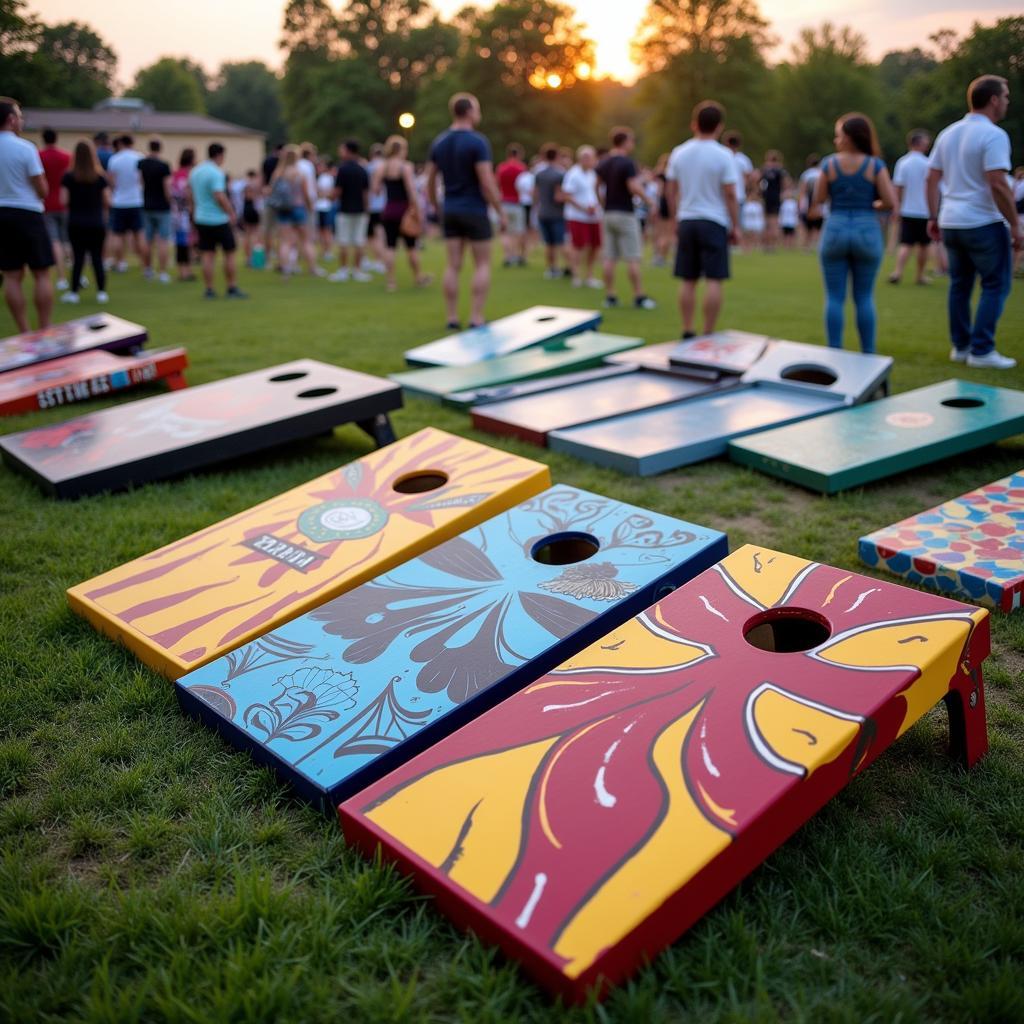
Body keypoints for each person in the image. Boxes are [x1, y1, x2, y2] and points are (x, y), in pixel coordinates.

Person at [927, 75, 1020, 369]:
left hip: (951, 220)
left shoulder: (948, 133)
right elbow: (997, 182)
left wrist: (933, 215)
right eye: (1005, 96)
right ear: (993, 99)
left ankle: (962, 346)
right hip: (982, 221)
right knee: (996, 285)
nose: (1007, 101)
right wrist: (1015, 224)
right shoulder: (994, 135)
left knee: (960, 285)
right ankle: (982, 350)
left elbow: (932, 178)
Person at [809, 112, 896, 354]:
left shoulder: (829, 164)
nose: (836, 140)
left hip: (835, 228)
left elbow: (819, 199)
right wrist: (870, 204)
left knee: (835, 298)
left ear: (847, 137)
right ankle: (868, 353)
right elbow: (889, 201)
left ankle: (834, 351)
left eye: (838, 136)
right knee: (864, 297)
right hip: (866, 230)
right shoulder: (875, 165)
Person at [426, 92, 506, 329]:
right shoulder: (477, 142)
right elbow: (486, 182)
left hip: (450, 208)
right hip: (474, 210)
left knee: (453, 265)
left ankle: (451, 317)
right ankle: (476, 317)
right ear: (470, 111)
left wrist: (435, 205)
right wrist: (500, 211)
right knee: (482, 263)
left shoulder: (439, 142)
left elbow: (430, 180)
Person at [664, 100, 740, 338]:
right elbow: (730, 193)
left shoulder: (679, 152)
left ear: (694, 124)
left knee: (688, 279)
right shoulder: (724, 155)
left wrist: (675, 218)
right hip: (714, 220)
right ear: (719, 127)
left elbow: (670, 190)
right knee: (714, 279)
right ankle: (708, 332)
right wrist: (736, 225)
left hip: (687, 219)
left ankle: (687, 328)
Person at [0, 97, 54, 332]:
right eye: (20, 117)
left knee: (11, 275)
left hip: (1, 215)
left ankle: (24, 330)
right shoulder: (26, 148)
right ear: (11, 120)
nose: (21, 121)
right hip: (28, 212)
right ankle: (44, 328)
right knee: (41, 273)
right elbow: (41, 189)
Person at [595, 127, 656, 309]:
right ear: (625, 142)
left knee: (609, 257)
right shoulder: (627, 163)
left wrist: (602, 203)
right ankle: (639, 296)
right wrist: (650, 201)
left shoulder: (604, 163)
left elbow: (596, 186)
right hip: (625, 213)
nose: (633, 144)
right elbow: (633, 187)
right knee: (633, 257)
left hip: (608, 213)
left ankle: (610, 296)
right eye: (631, 140)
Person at [372, 134, 431, 292]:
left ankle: (391, 282)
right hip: (405, 210)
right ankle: (418, 277)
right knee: (411, 247)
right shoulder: (405, 166)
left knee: (390, 246)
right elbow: (411, 190)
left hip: (389, 209)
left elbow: (375, 190)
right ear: (402, 149)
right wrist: (417, 210)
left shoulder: (382, 167)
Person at [188, 142, 246, 299]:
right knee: (229, 253)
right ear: (220, 155)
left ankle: (209, 289)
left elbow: (191, 195)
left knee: (207, 255)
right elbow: (219, 195)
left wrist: (193, 213)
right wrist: (231, 212)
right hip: (218, 219)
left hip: (201, 218)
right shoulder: (216, 173)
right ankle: (232, 287)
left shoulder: (195, 171)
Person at [60, 139, 109, 304]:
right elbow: (107, 200)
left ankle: (74, 292)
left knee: (78, 258)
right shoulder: (99, 177)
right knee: (97, 258)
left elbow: (63, 200)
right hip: (96, 222)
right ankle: (101, 292)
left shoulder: (69, 177)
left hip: (76, 222)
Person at [888, 130, 933, 285]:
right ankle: (920, 276)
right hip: (925, 211)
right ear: (919, 143)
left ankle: (897, 272)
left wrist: (896, 207)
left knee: (906, 243)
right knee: (924, 245)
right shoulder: (928, 163)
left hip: (907, 210)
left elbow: (898, 187)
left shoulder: (903, 162)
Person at [268, 145, 319, 276]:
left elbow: (271, 191)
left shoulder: (278, 173)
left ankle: (285, 269)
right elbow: (305, 193)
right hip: (298, 208)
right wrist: (310, 207)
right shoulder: (299, 173)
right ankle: (312, 268)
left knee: (285, 241)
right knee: (306, 240)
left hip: (283, 209)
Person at [560, 145, 602, 289]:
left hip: (593, 216)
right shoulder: (573, 174)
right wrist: (583, 208)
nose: (588, 160)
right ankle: (576, 274)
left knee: (595, 246)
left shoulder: (593, 174)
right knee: (578, 246)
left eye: (590, 157)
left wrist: (596, 206)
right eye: (585, 157)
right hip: (577, 216)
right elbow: (567, 195)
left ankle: (589, 275)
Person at [330, 139, 371, 283]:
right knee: (359, 241)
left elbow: (337, 191)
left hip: (345, 209)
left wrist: (329, 197)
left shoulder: (342, 169)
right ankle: (357, 270)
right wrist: (367, 209)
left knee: (344, 241)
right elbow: (366, 193)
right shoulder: (362, 169)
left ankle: (343, 270)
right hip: (360, 210)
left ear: (348, 151)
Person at [107, 134, 147, 272]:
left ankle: (121, 263)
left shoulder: (114, 159)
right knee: (139, 235)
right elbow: (142, 180)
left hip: (119, 201)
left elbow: (111, 181)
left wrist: (116, 191)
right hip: (136, 200)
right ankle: (144, 265)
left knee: (118, 235)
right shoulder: (139, 157)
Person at [39, 127, 71, 289]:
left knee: (55, 241)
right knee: (66, 241)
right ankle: (74, 275)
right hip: (65, 204)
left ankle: (61, 277)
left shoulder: (39, 156)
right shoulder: (66, 157)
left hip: (47, 204)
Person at [139, 138, 172, 283]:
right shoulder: (164, 166)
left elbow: (140, 182)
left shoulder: (142, 164)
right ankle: (163, 272)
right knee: (163, 241)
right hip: (162, 207)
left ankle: (147, 269)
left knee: (147, 240)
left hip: (147, 205)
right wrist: (170, 201)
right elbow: (167, 188)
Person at [533, 143, 568, 279]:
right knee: (560, 242)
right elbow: (559, 196)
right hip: (557, 213)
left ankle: (551, 269)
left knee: (549, 244)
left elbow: (535, 194)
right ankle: (568, 267)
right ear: (557, 156)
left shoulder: (539, 174)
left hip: (543, 212)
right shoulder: (560, 174)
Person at [497, 143, 527, 266]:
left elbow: (496, 183)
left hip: (504, 202)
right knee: (517, 231)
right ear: (519, 154)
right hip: (517, 203)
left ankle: (507, 256)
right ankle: (515, 255)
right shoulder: (521, 168)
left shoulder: (501, 167)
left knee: (505, 232)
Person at [170, 148, 195, 282]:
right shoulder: (189, 175)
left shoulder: (175, 174)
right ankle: (186, 271)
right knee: (186, 243)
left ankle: (184, 271)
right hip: (185, 213)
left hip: (176, 212)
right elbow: (188, 193)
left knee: (181, 243)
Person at [759, 150, 788, 251]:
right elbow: (785, 184)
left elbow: (758, 182)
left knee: (767, 222)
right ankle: (773, 245)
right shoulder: (780, 170)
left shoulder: (765, 169)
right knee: (774, 222)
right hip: (776, 198)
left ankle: (767, 245)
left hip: (766, 198)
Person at [798, 154, 824, 249]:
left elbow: (802, 190)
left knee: (807, 226)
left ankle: (806, 246)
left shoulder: (806, 174)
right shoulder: (821, 173)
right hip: (820, 203)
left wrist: (800, 203)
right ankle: (818, 245)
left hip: (807, 203)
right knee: (819, 227)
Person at [315, 158, 336, 259]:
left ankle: (328, 252)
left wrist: (321, 193)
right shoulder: (321, 177)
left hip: (325, 207)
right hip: (320, 207)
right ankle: (324, 251)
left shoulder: (327, 177)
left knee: (326, 230)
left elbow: (328, 193)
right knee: (321, 231)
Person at [240, 170, 262, 266]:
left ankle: (249, 257)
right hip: (252, 209)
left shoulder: (245, 184)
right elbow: (250, 197)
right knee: (253, 234)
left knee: (248, 235)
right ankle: (251, 257)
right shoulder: (252, 185)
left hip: (247, 209)